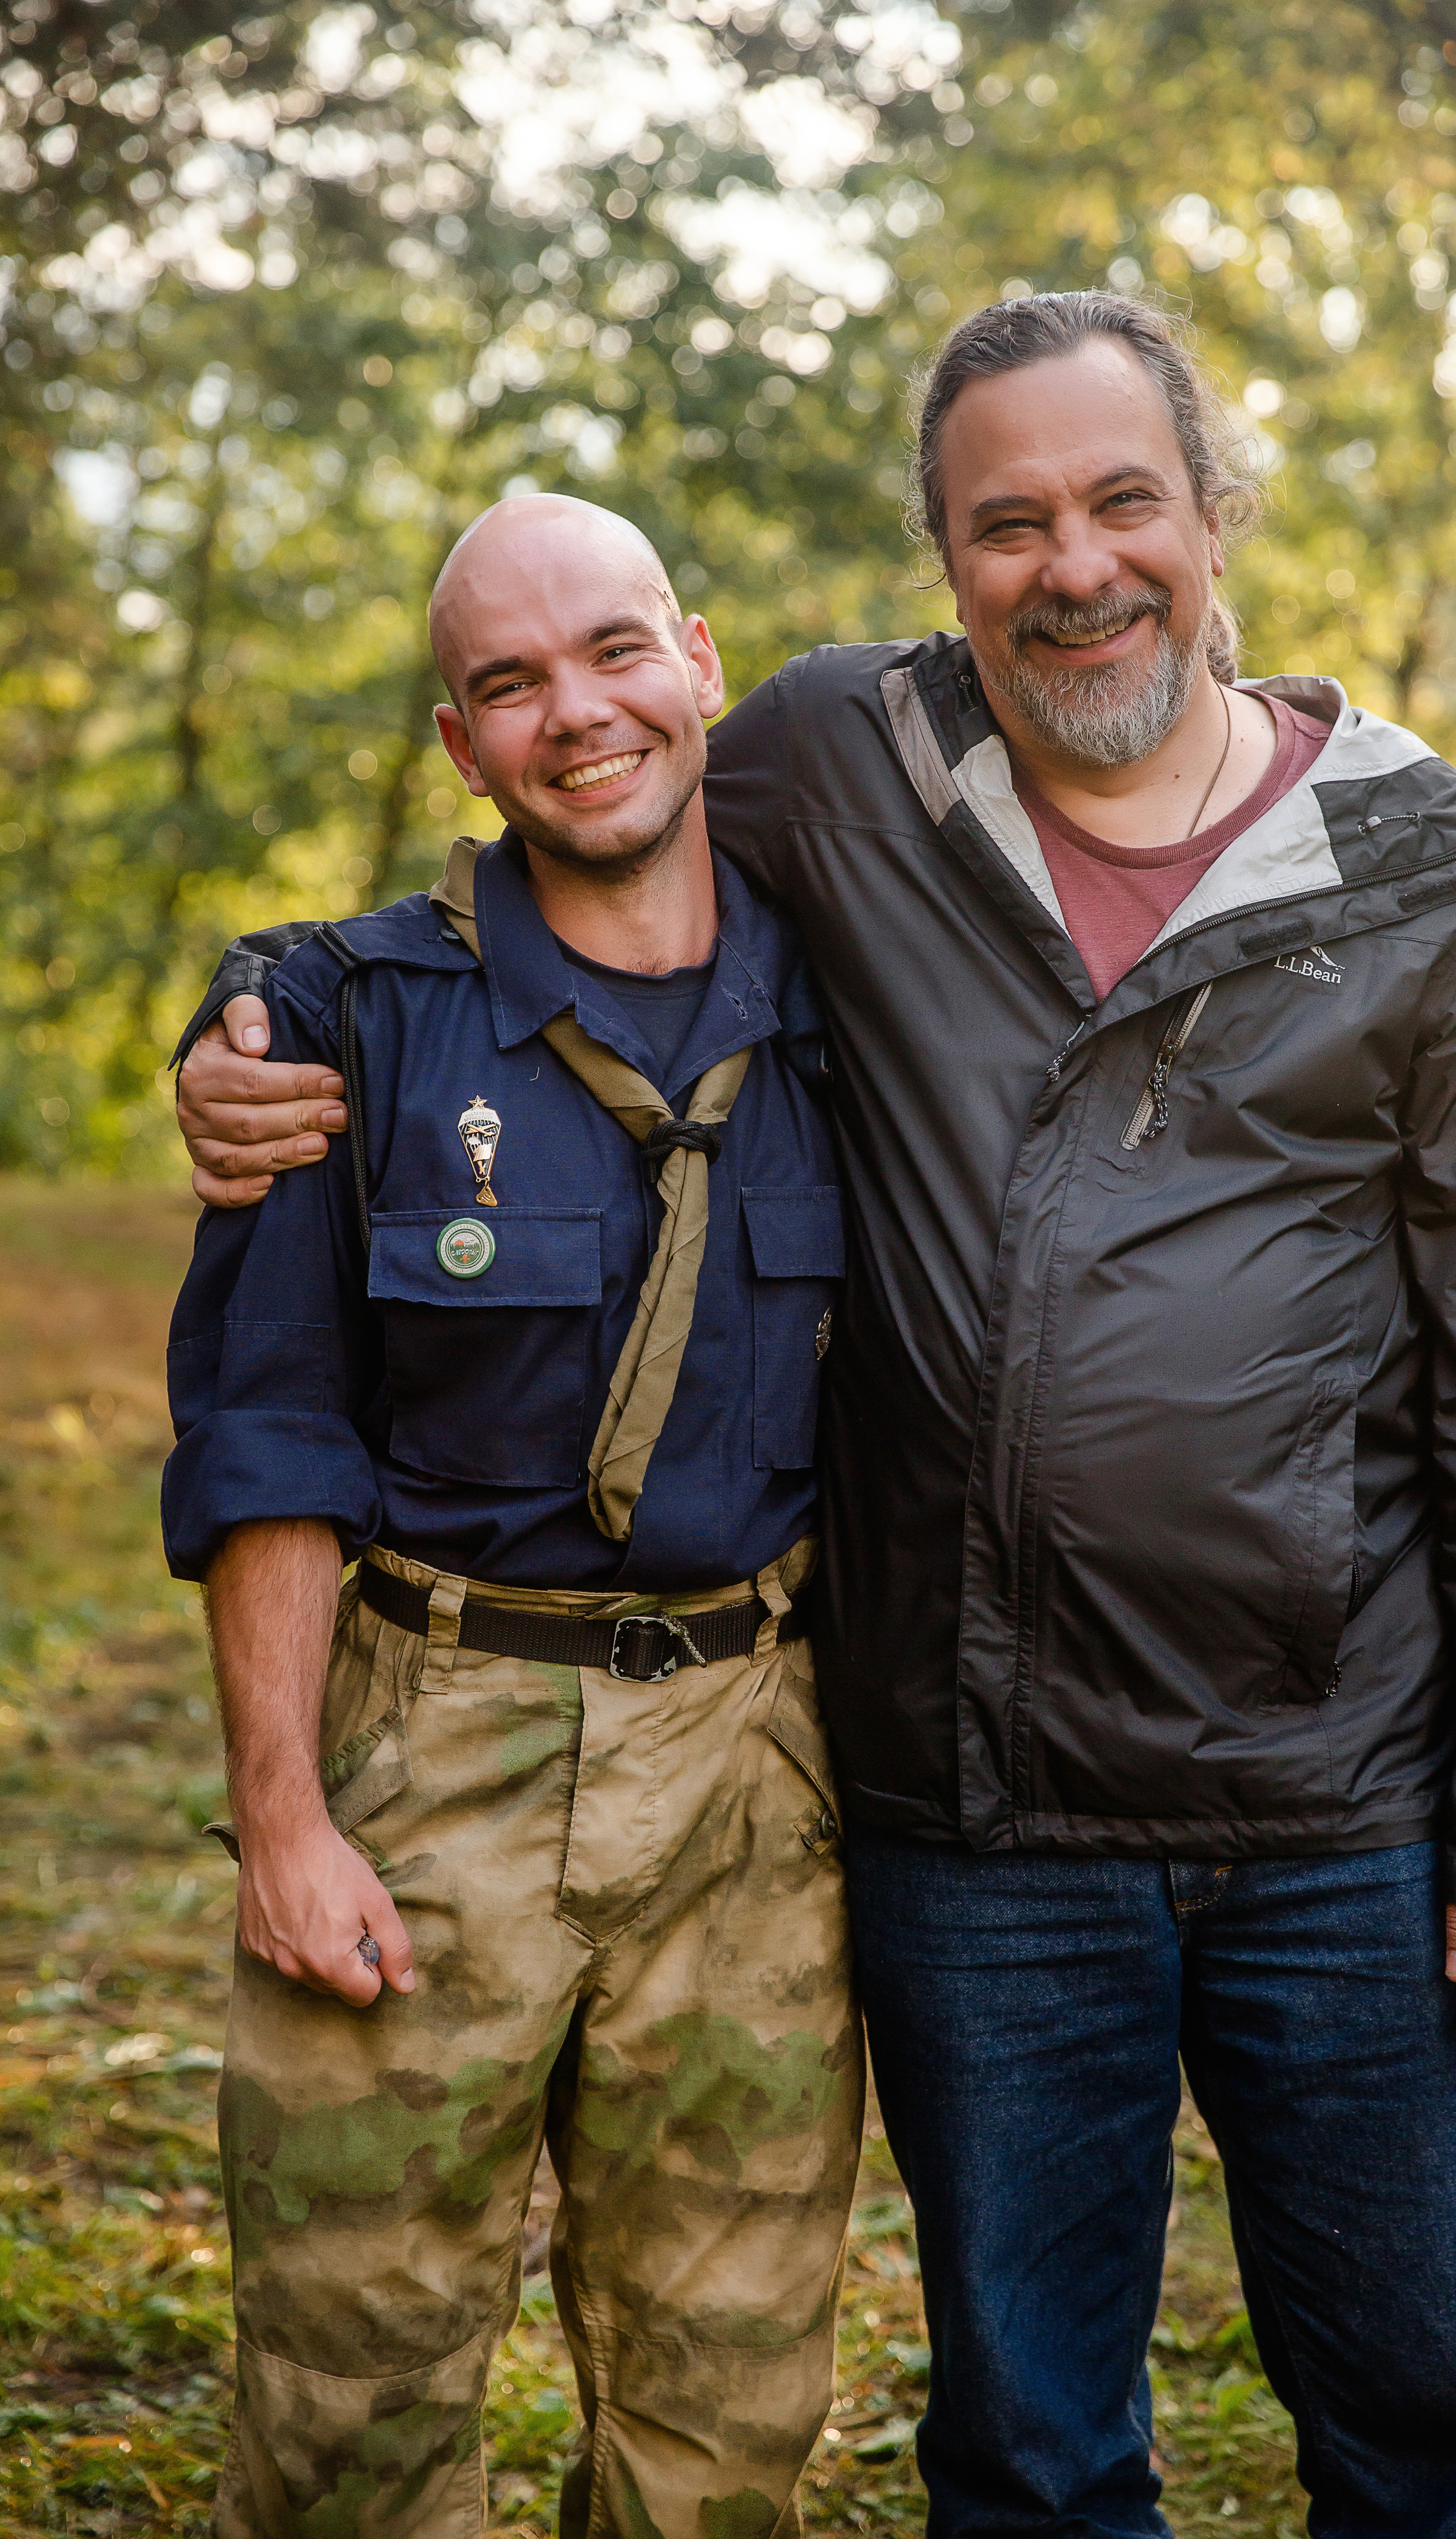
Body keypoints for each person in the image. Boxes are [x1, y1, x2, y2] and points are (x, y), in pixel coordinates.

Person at [177, 293, 1456, 2538]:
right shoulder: (819, 780)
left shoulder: (1405, 867)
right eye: (1006, 521)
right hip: (961, 1806)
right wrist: (256, 1009)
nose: (1076, 564)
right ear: (941, 566)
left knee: (1402, 2449)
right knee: (1014, 2459)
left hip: (1332, 1796)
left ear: (1211, 515)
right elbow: (522, 851)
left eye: (1125, 500)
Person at [162, 497, 864, 2539]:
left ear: (704, 660)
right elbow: (273, 1434)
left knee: (725, 2416)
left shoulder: (868, 1005)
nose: (579, 714)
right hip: (435, 1744)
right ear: (460, 742)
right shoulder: (346, 1025)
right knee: (351, 2397)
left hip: (758, 1764)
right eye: (509, 685)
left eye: (616, 651)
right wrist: (284, 1821)